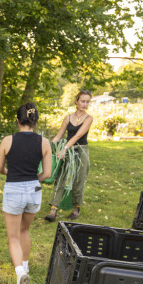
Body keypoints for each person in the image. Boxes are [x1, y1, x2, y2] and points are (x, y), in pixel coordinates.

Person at [0, 102, 52, 284]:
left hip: (13, 189)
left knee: (13, 237)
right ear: (35, 121)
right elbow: (47, 174)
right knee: (24, 230)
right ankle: (25, 266)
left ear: (17, 121)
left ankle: (20, 272)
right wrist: (31, 180)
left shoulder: (7, 140)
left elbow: (0, 169)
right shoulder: (44, 143)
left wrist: (13, 174)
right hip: (34, 191)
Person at [44, 89, 93, 221]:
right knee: (61, 178)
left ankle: (76, 209)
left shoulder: (88, 119)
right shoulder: (68, 118)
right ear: (76, 101)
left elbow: (78, 135)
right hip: (67, 151)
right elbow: (59, 136)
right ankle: (53, 210)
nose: (85, 104)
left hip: (81, 150)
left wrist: (65, 148)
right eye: (82, 101)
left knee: (79, 179)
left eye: (87, 102)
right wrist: (47, 146)